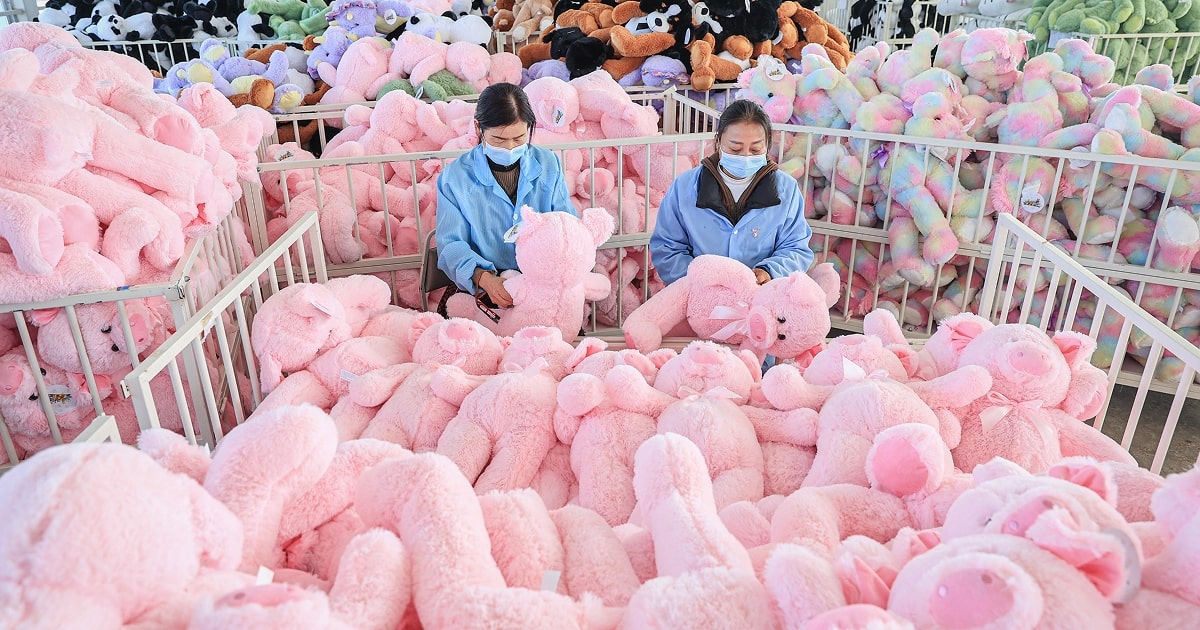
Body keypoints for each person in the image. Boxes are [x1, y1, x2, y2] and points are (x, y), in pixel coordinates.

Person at [435, 82, 576, 312]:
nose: (510, 148)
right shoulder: (455, 178)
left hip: (540, 282)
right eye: (499, 140)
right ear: (478, 128)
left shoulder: (549, 165)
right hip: (483, 284)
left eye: (519, 138)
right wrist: (483, 278)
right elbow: (450, 244)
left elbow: (566, 224)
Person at [649, 99, 814, 287]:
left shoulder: (787, 189)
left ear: (767, 146)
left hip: (761, 299)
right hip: (700, 295)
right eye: (735, 148)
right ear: (718, 142)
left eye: (755, 149)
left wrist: (769, 271)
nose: (745, 157)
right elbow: (666, 247)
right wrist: (700, 280)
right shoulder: (685, 187)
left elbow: (796, 248)